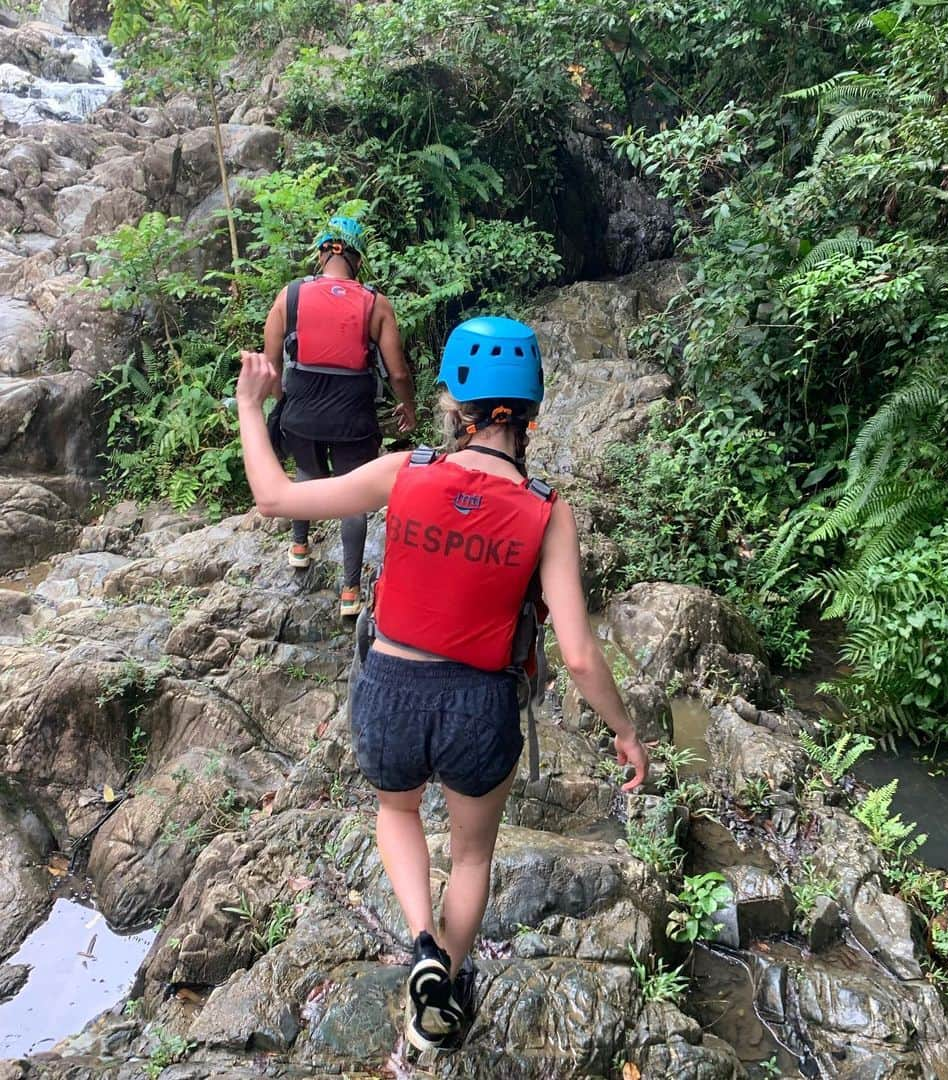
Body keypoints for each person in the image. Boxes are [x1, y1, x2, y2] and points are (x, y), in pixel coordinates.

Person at [235, 316, 650, 1053]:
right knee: (470, 857)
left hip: (389, 685)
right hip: (480, 706)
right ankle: (443, 990)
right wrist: (624, 732)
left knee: (396, 815)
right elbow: (579, 653)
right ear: (532, 410)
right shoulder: (549, 510)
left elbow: (273, 497)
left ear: (453, 402)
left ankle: (421, 940)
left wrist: (250, 403)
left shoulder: (406, 471)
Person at [261, 213, 418, 617]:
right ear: (358, 259)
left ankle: (299, 547)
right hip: (353, 416)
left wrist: (283, 399)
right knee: (353, 496)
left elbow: (272, 362)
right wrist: (408, 407)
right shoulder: (375, 303)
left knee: (307, 476)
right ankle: (350, 593)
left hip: (301, 411)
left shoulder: (289, 296)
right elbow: (397, 371)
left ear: (321, 254)